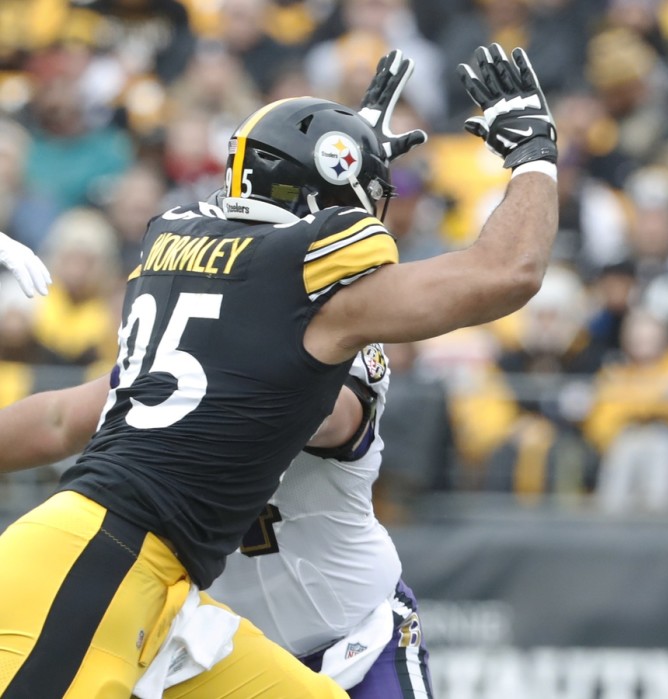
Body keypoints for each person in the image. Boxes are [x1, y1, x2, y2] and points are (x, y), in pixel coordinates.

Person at [0, 42, 559, 698]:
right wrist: (535, 158)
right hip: (124, 566)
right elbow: (504, 272)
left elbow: (69, 414)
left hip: (255, 614)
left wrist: (340, 154)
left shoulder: (209, 278)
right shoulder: (310, 298)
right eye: (362, 200)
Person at [0, 343, 432, 698]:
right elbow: (57, 421)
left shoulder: (328, 338)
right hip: (216, 649)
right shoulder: (184, 348)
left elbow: (329, 415)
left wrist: (205, 379)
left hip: (356, 639)